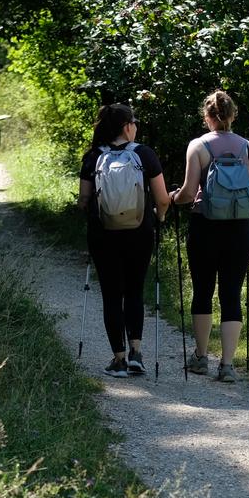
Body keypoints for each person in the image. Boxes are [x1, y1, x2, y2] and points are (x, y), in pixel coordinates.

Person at [168, 90, 249, 383]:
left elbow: (187, 193)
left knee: (202, 290)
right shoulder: (248, 148)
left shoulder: (198, 146)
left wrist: (171, 198)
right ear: (233, 115)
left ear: (207, 117)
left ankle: (200, 357)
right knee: (231, 294)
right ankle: (227, 365)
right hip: (240, 229)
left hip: (205, 228)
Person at [78, 104, 170, 377]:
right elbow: (163, 198)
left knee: (110, 293)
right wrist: (160, 215)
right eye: (134, 122)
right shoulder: (144, 154)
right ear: (127, 126)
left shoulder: (93, 157)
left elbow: (83, 200)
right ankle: (136, 354)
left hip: (103, 234)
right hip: (139, 232)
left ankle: (118, 359)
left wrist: (88, 210)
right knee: (134, 290)